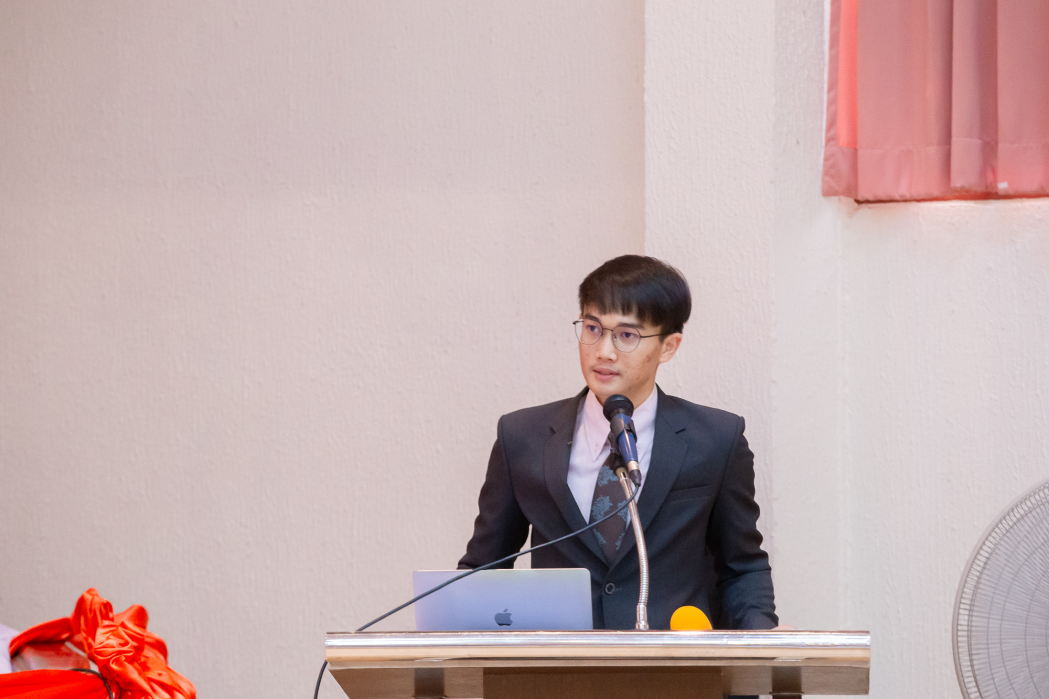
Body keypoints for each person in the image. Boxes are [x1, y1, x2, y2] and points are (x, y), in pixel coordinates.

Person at [458, 255, 778, 631]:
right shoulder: (522, 437)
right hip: (558, 663)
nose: (604, 351)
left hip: (674, 662)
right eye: (592, 328)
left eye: (626, 335)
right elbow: (485, 569)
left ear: (669, 346)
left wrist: (764, 642)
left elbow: (742, 568)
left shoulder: (716, 439)